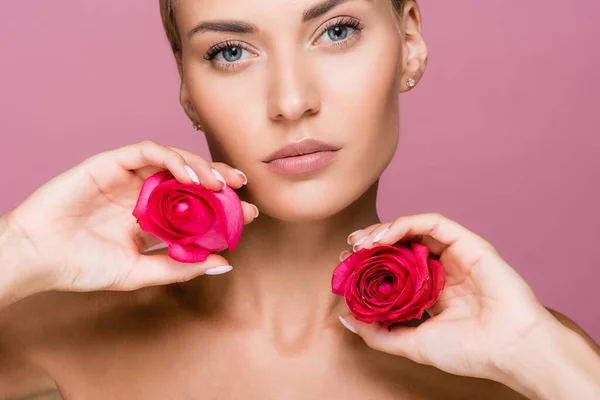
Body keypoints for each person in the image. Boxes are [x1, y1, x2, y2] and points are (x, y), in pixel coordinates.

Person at [0, 0, 599, 398]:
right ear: (187, 86)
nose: (290, 101)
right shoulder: (41, 334)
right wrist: (16, 252)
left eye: (336, 32)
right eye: (230, 52)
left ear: (409, 41)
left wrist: (540, 358)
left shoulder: (524, 361)